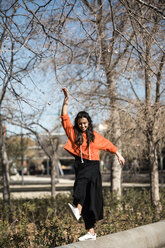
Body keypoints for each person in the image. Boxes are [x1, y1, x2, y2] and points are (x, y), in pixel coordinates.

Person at [61, 88, 125, 241]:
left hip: (93, 166)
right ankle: (91, 232)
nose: (82, 126)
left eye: (84, 123)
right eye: (80, 124)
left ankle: (77, 209)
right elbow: (64, 118)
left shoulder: (95, 136)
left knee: (83, 186)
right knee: (87, 197)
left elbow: (108, 145)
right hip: (81, 165)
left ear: (88, 123)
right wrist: (66, 101)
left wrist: (118, 154)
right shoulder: (74, 134)